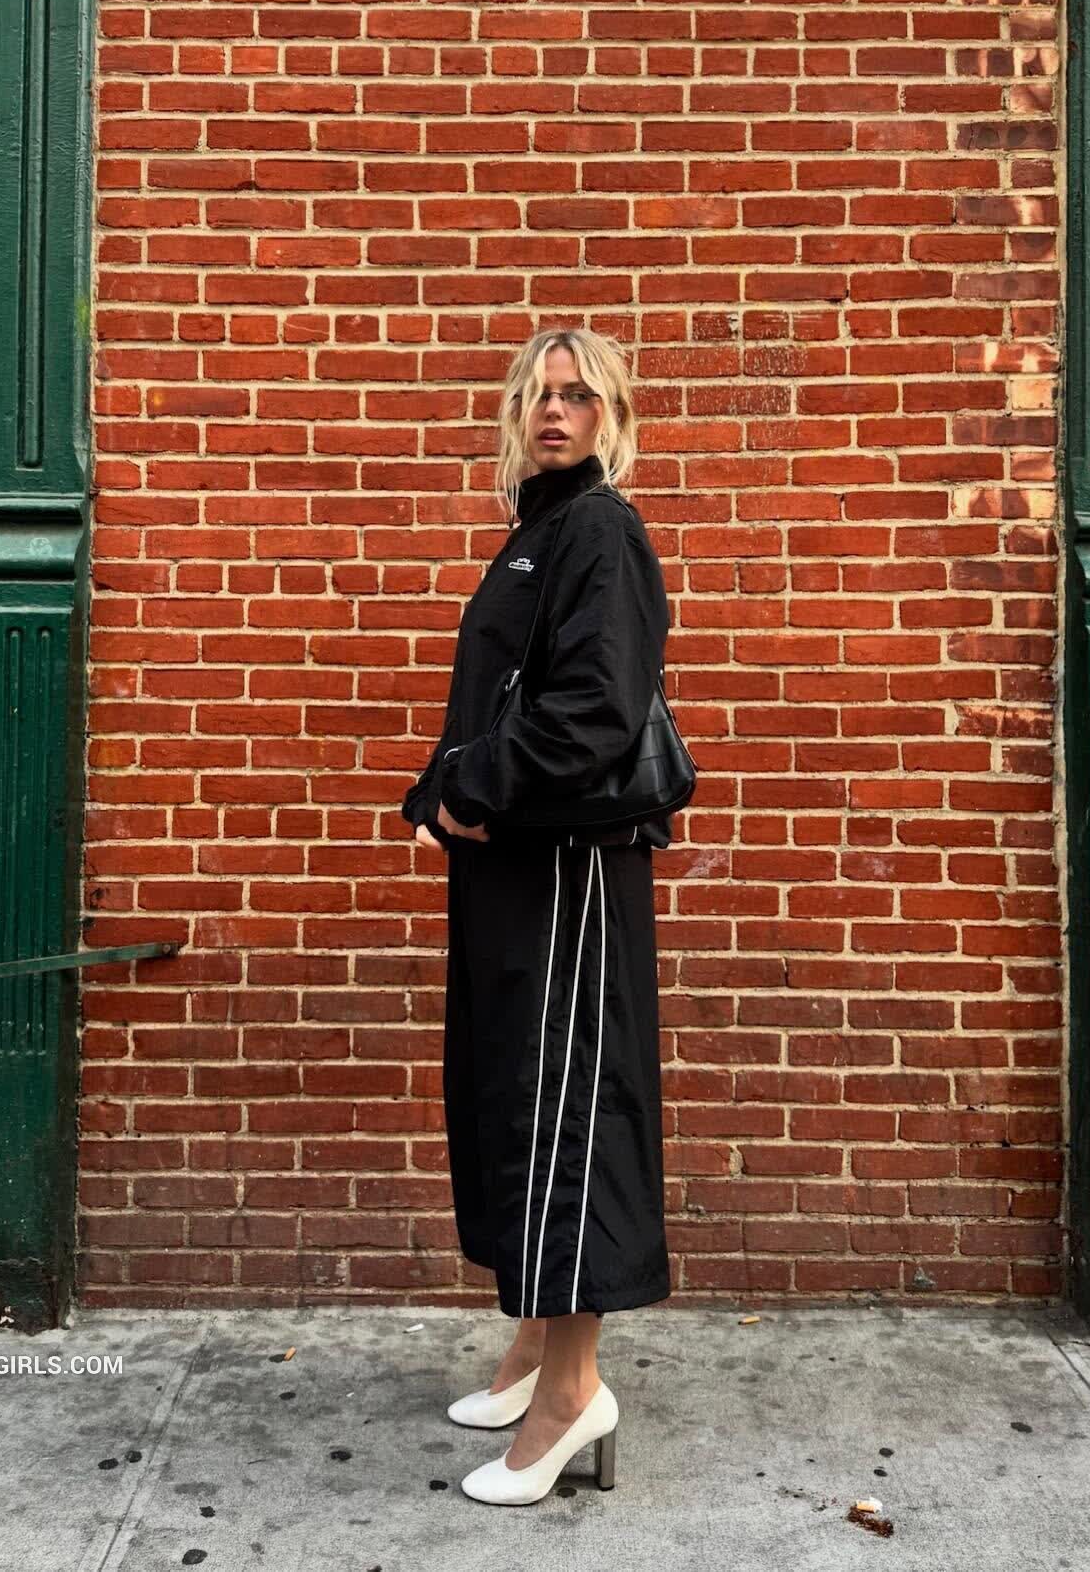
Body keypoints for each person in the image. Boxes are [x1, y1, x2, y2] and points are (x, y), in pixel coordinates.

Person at [400, 328, 677, 1506]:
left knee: (570, 1117)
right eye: (539, 395)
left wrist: (472, 788)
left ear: (612, 414)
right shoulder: (537, 531)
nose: (554, 411)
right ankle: (531, 1348)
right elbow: (496, 697)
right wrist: (436, 787)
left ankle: (574, 1391)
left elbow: (595, 709)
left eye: (579, 395)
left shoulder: (601, 530)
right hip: (516, 869)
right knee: (515, 1099)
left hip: (570, 870)